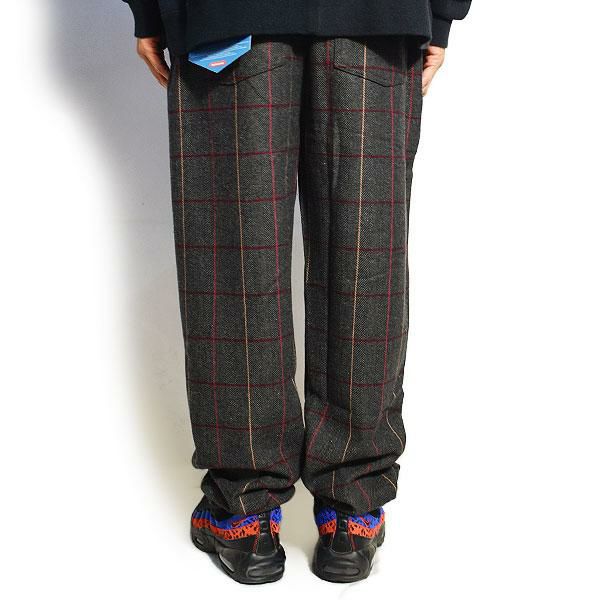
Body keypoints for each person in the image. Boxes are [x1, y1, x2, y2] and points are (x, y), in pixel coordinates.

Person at [121, 0, 471, 585]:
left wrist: (150, 12)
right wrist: (439, 15)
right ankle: (352, 511)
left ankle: (246, 514)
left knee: (233, 252)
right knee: (367, 248)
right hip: (380, 14)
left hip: (225, 14)